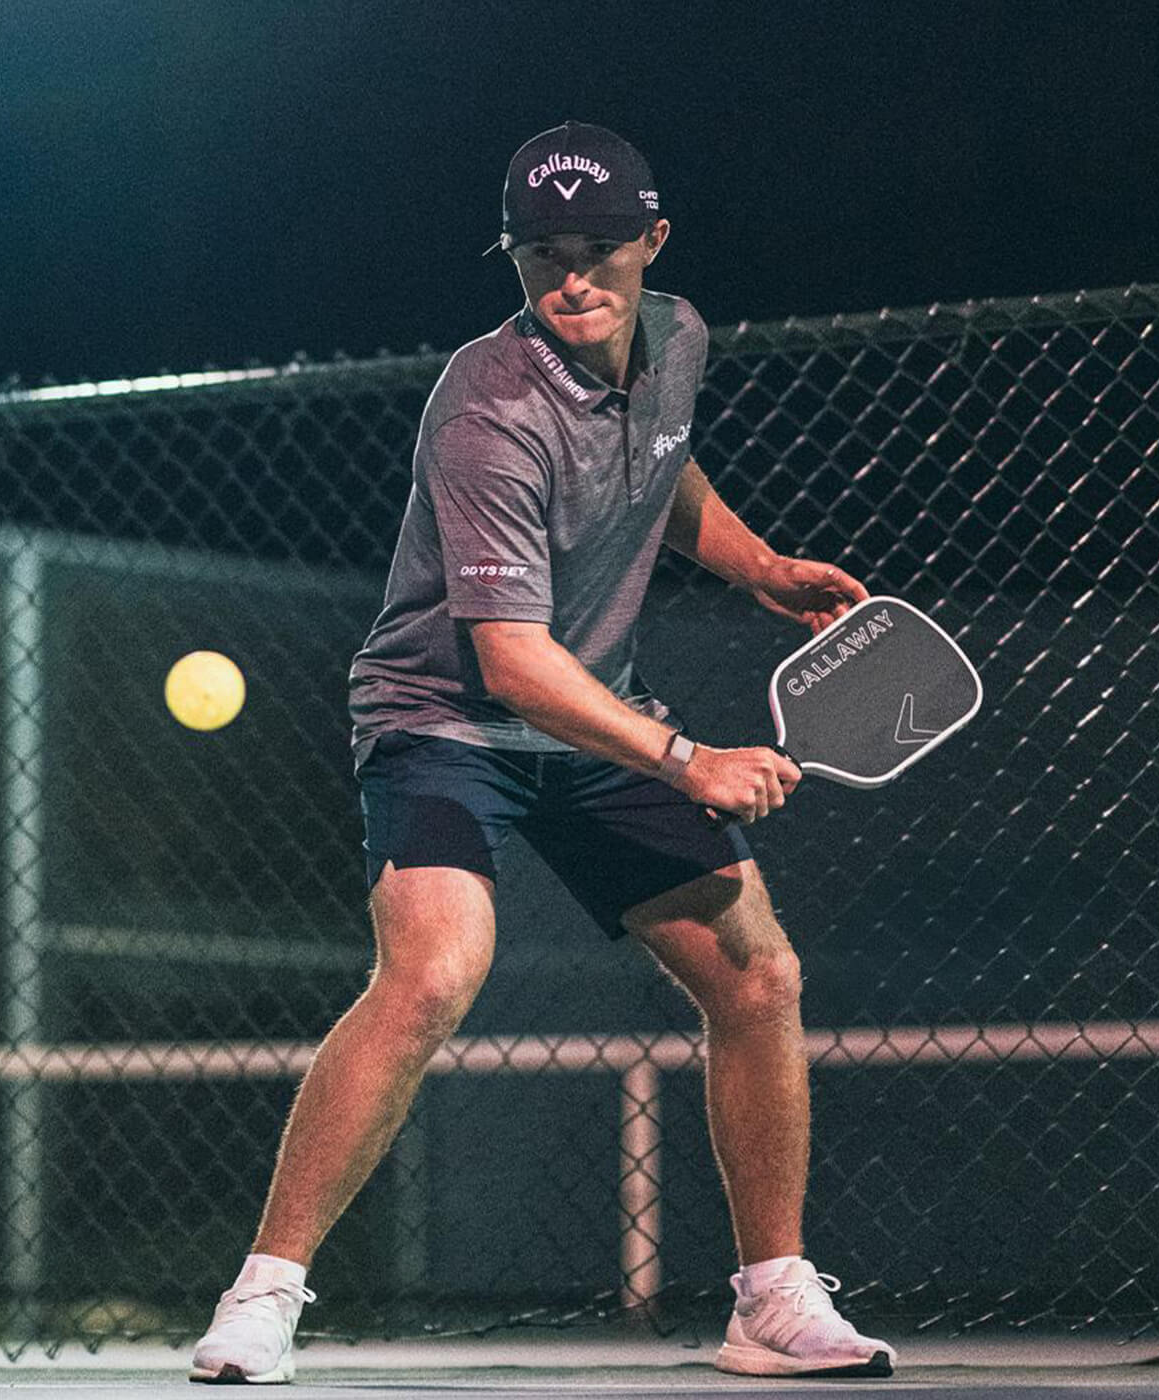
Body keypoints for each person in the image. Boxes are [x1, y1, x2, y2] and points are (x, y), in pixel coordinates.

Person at [191, 121, 895, 1385]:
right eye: (539, 255)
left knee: (756, 973)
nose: (570, 278)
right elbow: (509, 663)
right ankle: (262, 1295)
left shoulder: (674, 338)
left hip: (592, 712)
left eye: (597, 250)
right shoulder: (485, 404)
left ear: (651, 245)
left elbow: (659, 467)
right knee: (432, 976)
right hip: (444, 717)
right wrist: (686, 759)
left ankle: (772, 1300)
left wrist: (757, 566)